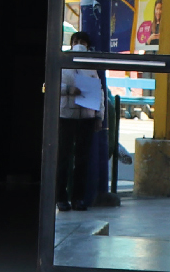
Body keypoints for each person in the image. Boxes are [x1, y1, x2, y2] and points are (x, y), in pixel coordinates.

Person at [55, 33, 103, 211]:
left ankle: (78, 198)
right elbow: (51, 86)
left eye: (83, 42)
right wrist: (68, 89)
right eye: (76, 42)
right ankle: (60, 197)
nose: (79, 45)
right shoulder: (62, 63)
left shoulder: (91, 67)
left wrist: (99, 116)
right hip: (66, 116)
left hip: (87, 117)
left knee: (82, 159)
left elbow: (99, 93)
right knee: (63, 158)